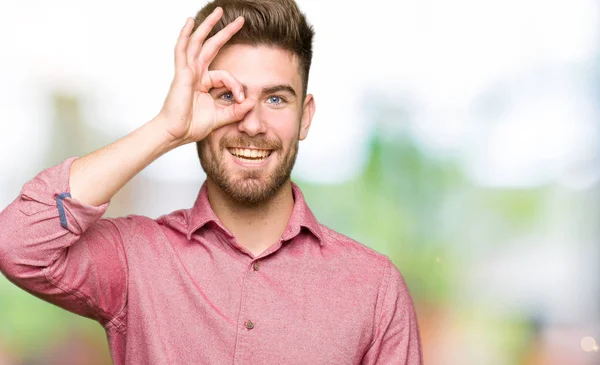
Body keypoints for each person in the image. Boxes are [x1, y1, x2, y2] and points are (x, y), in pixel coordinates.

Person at [0, 0, 422, 364]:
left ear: (305, 116)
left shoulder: (374, 288)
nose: (252, 124)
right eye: (228, 96)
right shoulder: (137, 260)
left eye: (276, 99)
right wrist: (166, 129)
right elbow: (18, 243)